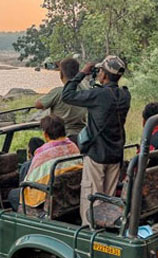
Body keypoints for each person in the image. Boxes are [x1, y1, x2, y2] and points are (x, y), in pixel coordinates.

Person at [62, 55, 131, 226]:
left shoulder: (98, 95)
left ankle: (89, 233)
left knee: (91, 200)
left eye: (100, 71)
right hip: (115, 155)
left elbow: (67, 95)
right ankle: (105, 232)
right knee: (107, 200)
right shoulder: (125, 95)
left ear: (104, 75)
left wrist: (81, 74)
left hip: (96, 155)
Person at [22, 114, 81, 210]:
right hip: (72, 196)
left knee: (13, 195)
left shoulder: (42, 154)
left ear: (45, 134)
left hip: (48, 199)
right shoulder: (73, 146)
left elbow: (30, 181)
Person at [35, 57, 88, 144]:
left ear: (61, 74)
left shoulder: (58, 92)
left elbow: (38, 104)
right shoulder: (84, 90)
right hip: (83, 135)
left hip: (62, 136)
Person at [8, 137, 44, 211]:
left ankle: (23, 213)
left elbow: (22, 185)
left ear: (29, 152)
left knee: (12, 194)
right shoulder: (48, 160)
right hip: (44, 194)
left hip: (35, 196)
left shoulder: (27, 165)